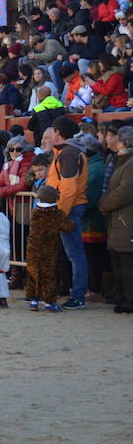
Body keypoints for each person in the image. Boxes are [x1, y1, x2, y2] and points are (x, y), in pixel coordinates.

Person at [46, 116, 89, 309]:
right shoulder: (68, 152)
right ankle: (75, 293)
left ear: (57, 132)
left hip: (68, 208)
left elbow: (69, 189)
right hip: (69, 207)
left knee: (75, 254)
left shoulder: (68, 153)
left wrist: (60, 214)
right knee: (73, 254)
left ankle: (78, 295)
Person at [98, 126, 133, 314]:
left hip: (126, 218)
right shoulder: (122, 161)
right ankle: (124, 297)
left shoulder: (130, 163)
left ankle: (130, 301)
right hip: (121, 218)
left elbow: (123, 193)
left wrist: (104, 204)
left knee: (128, 262)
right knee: (122, 260)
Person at [26, 185, 75, 312]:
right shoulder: (57, 214)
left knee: (33, 273)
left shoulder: (35, 212)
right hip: (50, 250)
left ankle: (33, 301)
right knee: (50, 275)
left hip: (33, 248)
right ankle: (49, 303)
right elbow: (68, 227)